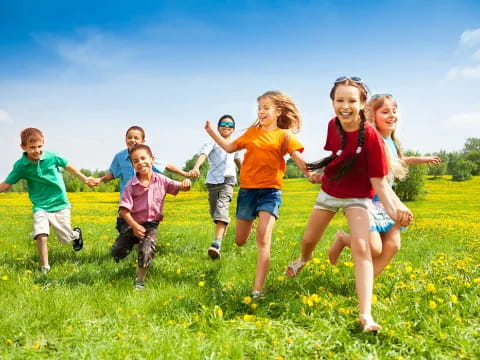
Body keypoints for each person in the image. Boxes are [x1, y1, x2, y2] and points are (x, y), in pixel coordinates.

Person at [285, 78, 413, 332]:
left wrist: (395, 209)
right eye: (339, 100)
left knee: (363, 247)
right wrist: (321, 170)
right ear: (332, 102)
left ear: (362, 103)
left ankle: (366, 315)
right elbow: (337, 153)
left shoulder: (374, 140)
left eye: (352, 101)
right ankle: (302, 259)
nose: (345, 106)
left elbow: (380, 183)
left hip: (358, 197)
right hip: (330, 191)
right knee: (309, 239)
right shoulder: (333, 125)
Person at [204, 91, 311, 299]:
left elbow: (298, 158)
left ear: (278, 111)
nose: (261, 112)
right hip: (247, 192)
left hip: (271, 192)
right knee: (240, 240)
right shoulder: (252, 133)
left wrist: (311, 175)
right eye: (259, 108)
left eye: (265, 108)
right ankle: (251, 222)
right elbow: (228, 147)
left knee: (263, 238)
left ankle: (257, 290)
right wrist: (211, 132)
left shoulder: (285, 135)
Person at [328, 93, 441, 277]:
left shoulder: (392, 142)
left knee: (393, 244)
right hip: (368, 200)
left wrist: (422, 159)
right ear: (372, 116)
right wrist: (399, 205)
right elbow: (377, 177)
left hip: (385, 199)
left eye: (394, 111)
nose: (392, 115)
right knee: (373, 248)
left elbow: (399, 160)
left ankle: (364, 285)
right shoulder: (373, 141)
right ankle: (343, 238)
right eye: (385, 112)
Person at [0, 128, 91, 273]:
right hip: (40, 206)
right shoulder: (21, 166)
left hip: (60, 203)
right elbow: (7, 183)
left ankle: (75, 235)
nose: (37, 150)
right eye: (32, 147)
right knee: (41, 234)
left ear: (44, 144)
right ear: (23, 147)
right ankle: (44, 268)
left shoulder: (52, 157)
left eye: (40, 146)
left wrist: (85, 178)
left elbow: (68, 166)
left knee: (65, 239)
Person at [110, 144, 191, 290]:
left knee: (146, 249)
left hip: (151, 225)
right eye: (136, 161)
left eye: (143, 158)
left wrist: (186, 184)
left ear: (152, 159)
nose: (140, 162)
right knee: (117, 251)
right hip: (131, 223)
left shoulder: (162, 180)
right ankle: (127, 246)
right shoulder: (131, 185)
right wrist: (134, 226)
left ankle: (140, 280)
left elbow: (179, 186)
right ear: (133, 165)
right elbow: (123, 211)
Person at [190, 115, 242, 260]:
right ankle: (222, 224)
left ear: (234, 128)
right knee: (214, 212)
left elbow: (237, 159)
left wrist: (244, 173)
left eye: (230, 124)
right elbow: (203, 154)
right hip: (213, 181)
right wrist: (196, 167)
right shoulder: (212, 141)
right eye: (223, 124)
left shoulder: (235, 143)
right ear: (218, 127)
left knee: (222, 206)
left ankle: (216, 244)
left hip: (229, 179)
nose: (227, 126)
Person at [91, 126, 192, 196]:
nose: (132, 140)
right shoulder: (119, 157)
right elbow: (113, 174)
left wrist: (184, 173)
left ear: (143, 141)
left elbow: (166, 165)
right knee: (125, 226)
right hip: (127, 200)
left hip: (146, 199)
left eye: (136, 138)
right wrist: (100, 179)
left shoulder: (146, 156)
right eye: (129, 137)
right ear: (125, 139)